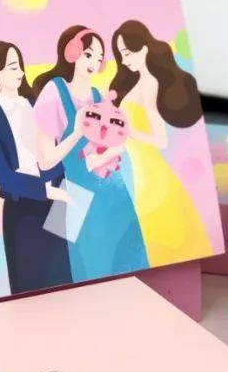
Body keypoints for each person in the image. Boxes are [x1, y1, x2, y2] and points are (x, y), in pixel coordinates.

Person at [32, 25, 148, 280]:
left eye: (99, 58)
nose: (94, 63)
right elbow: (45, 161)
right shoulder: (54, 91)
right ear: (72, 52)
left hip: (114, 191)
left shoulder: (97, 96)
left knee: (131, 261)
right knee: (86, 270)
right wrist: (75, 134)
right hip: (76, 192)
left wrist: (113, 149)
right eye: (88, 55)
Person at [109, 19, 213, 266]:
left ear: (143, 49)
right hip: (140, 172)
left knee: (156, 233)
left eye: (127, 53)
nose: (124, 60)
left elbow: (161, 139)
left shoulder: (149, 85)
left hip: (152, 174)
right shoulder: (137, 85)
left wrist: (129, 132)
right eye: (121, 54)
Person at [0, 40, 71, 293]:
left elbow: (59, 150)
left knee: (72, 275)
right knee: (33, 287)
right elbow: (3, 177)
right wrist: (47, 191)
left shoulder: (37, 103)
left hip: (63, 195)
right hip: (24, 207)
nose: (20, 72)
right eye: (12, 67)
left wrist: (64, 189)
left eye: (20, 66)